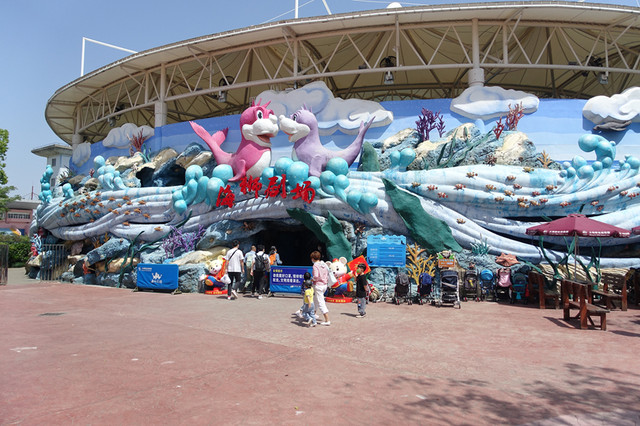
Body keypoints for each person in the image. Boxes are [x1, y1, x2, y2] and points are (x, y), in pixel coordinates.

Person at [310, 250, 331, 326]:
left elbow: (316, 276)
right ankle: (314, 314)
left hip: (318, 285)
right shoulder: (324, 264)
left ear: (313, 258)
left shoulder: (315, 265)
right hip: (324, 285)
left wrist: (312, 279)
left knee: (321, 302)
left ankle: (327, 319)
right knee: (316, 299)